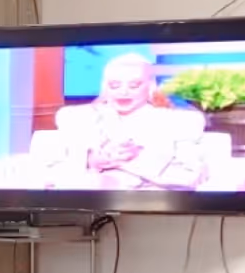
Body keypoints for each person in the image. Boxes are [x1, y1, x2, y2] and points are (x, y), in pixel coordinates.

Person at [52, 53, 207, 190]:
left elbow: (191, 175)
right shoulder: (77, 118)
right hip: (89, 202)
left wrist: (130, 161)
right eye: (115, 85)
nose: (123, 91)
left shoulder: (179, 122)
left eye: (134, 85)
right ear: (104, 87)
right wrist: (91, 160)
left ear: (150, 86)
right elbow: (50, 168)